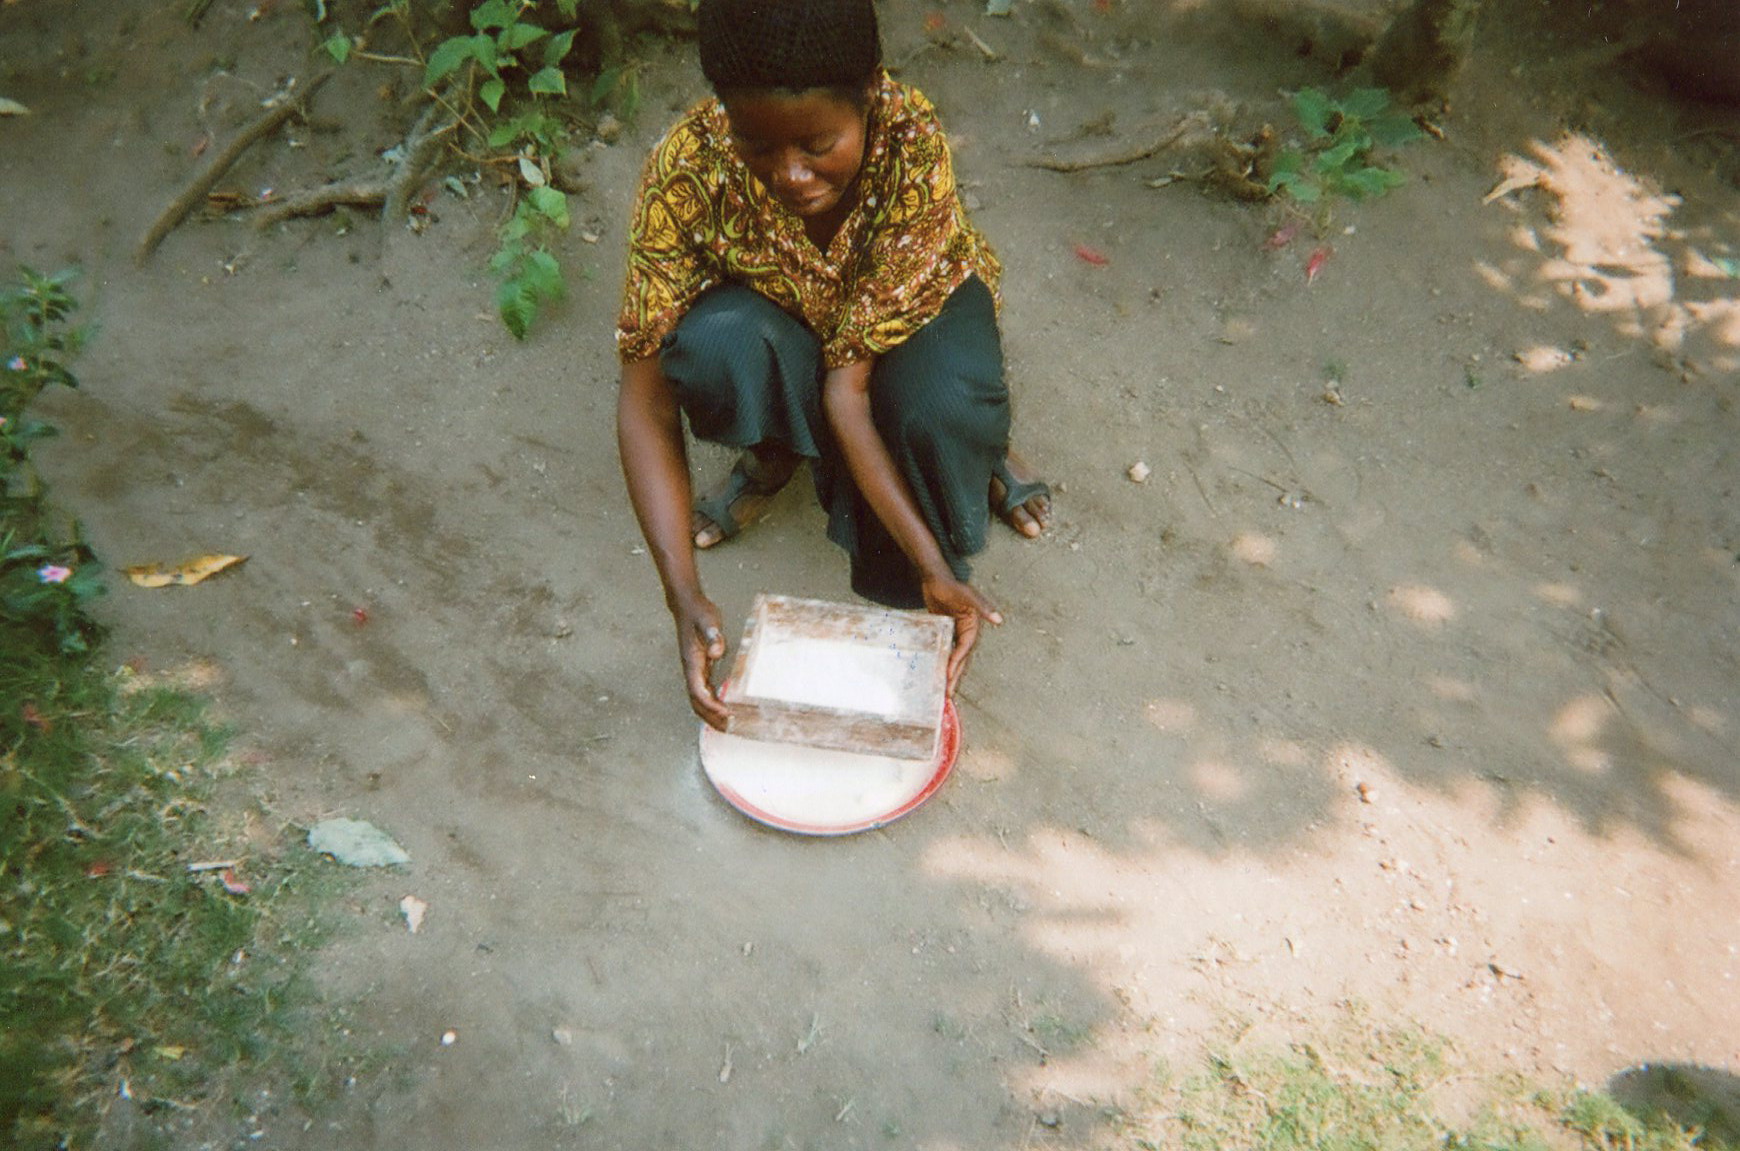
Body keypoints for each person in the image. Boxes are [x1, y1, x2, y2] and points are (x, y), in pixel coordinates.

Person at [615, 0, 1051, 732]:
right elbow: (644, 398)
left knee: (936, 404)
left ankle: (979, 449)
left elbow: (847, 392)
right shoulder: (686, 167)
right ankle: (777, 449)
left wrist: (931, 571)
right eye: (757, 145)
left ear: (870, 95)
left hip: (910, 312)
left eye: (818, 143)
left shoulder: (911, 141)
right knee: (709, 347)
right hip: (791, 316)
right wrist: (680, 594)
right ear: (723, 113)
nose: (790, 174)